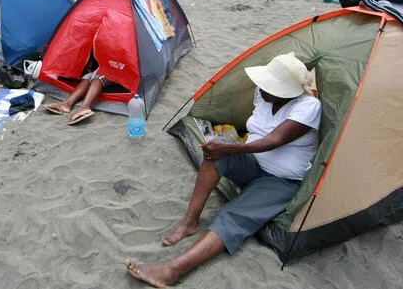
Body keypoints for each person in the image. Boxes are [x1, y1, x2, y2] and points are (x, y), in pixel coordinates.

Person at [125, 53, 321, 287]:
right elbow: (255, 135)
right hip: (253, 163)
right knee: (215, 156)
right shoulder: (263, 95)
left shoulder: (308, 107)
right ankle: (190, 221)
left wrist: (229, 147)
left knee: (232, 215)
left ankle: (171, 271)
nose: (260, 87)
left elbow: (274, 140)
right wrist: (224, 149)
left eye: (269, 85)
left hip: (281, 181)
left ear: (285, 92)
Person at [44, 53, 109, 125]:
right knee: (88, 78)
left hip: (117, 68)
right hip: (105, 64)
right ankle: (67, 104)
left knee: (99, 77)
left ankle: (85, 107)